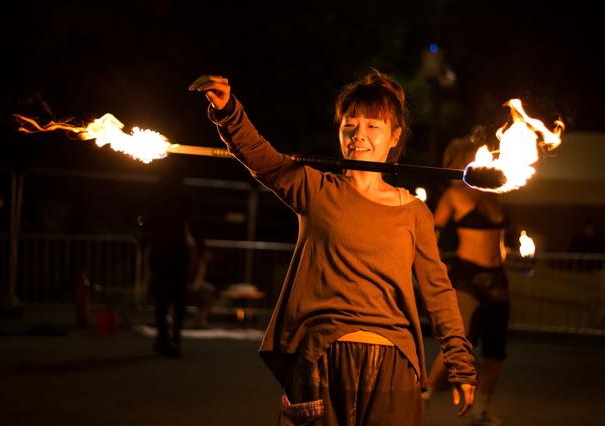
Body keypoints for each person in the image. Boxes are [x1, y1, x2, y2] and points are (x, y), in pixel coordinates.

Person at [190, 71, 476, 425]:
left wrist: (460, 364)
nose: (359, 135)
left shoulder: (414, 212)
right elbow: (261, 157)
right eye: (350, 124)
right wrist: (228, 110)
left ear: (395, 136)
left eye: (373, 126)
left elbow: (438, 291)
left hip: (393, 366)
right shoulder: (315, 189)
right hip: (322, 362)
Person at [423, 132, 511, 426]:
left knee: (496, 352)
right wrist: (433, 266)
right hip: (468, 275)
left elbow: (500, 239)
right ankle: (424, 396)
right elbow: (432, 234)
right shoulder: (454, 195)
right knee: (459, 341)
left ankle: (480, 410)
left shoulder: (495, 194)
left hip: (497, 278)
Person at [144, 162, 197, 358]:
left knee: (162, 299)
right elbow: (193, 222)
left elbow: (147, 221)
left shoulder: (156, 195)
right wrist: (201, 245)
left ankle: (164, 338)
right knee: (177, 299)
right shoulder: (184, 196)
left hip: (161, 250)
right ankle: (173, 339)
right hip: (175, 251)